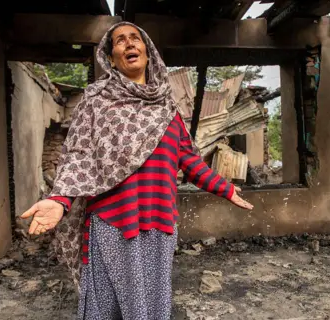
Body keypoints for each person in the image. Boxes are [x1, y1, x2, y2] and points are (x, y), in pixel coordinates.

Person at [21, 22, 254, 320]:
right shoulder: (96, 102)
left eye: (135, 38)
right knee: (104, 310)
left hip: (159, 224)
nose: (129, 44)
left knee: (150, 310)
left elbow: (189, 159)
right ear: (111, 56)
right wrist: (60, 200)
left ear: (148, 51)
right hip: (111, 224)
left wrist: (225, 188)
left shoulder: (167, 108)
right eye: (120, 41)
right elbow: (77, 157)